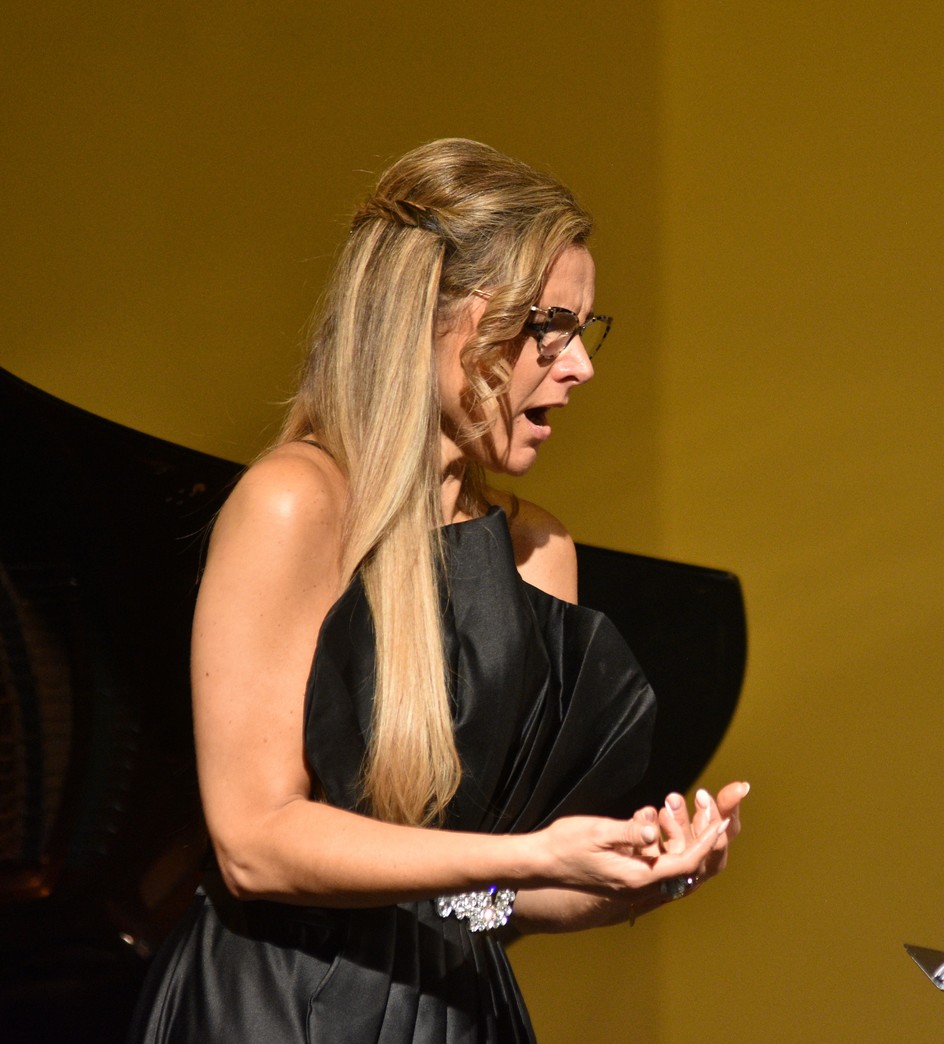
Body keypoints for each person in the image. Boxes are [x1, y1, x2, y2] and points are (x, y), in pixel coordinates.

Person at [129, 138, 747, 1042]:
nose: (579, 368)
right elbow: (254, 844)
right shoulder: (295, 503)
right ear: (449, 318)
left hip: (453, 1012)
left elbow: (486, 904)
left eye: (584, 331)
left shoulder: (538, 554)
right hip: (278, 1009)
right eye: (553, 328)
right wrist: (524, 855)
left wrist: (629, 886)